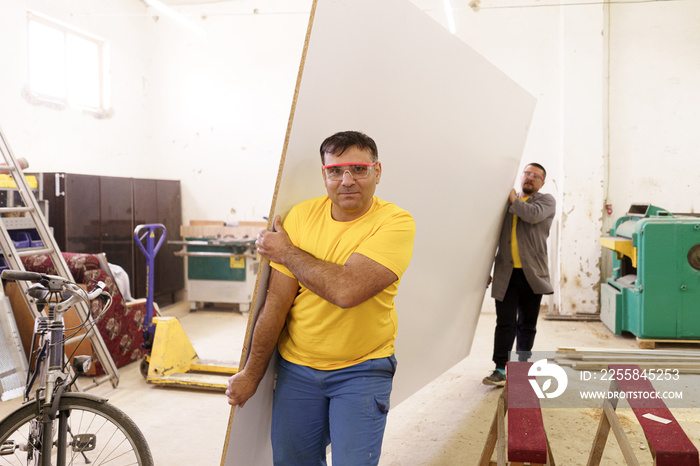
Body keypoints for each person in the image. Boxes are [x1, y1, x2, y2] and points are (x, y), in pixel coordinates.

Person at [225, 130, 415, 465]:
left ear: (377, 172)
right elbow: (277, 306)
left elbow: (347, 291)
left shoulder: (395, 223)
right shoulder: (299, 218)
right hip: (298, 369)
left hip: (362, 369)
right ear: (324, 175)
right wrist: (252, 374)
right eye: (335, 171)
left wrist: (287, 253)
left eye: (358, 169)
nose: (346, 181)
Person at [483, 163, 555, 387]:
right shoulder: (505, 204)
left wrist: (513, 200)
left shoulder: (545, 201)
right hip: (507, 274)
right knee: (505, 323)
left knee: (527, 324)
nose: (530, 178)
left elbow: (532, 216)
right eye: (527, 173)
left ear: (542, 182)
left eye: (536, 176)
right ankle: (500, 369)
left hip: (532, 274)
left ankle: (522, 367)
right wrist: (484, 269)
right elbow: (490, 237)